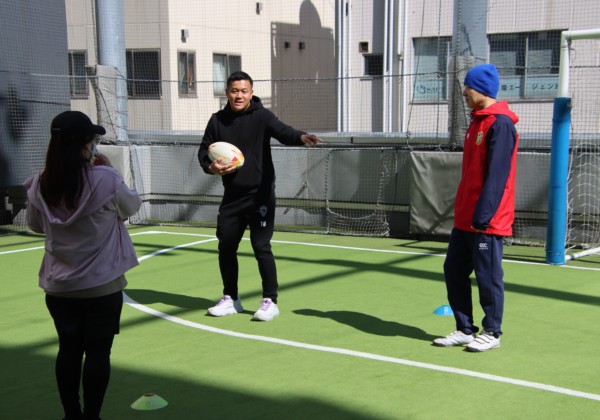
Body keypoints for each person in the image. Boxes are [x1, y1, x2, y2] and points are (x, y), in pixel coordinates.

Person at [24, 111, 141, 419]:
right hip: (101, 285)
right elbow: (131, 206)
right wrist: (110, 170)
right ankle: (92, 416)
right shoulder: (106, 179)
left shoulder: (40, 183)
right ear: (84, 144)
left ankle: (71, 414)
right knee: (99, 352)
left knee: (69, 350)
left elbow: (35, 225)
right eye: (92, 140)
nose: (95, 145)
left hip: (59, 286)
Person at [198, 71, 321, 321]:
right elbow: (203, 151)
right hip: (232, 196)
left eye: (244, 91)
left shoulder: (262, 116)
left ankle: (270, 301)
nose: (239, 95)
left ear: (251, 93)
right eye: (234, 91)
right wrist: (211, 167)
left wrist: (301, 137)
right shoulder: (217, 120)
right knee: (226, 246)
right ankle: (231, 298)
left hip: (260, 196)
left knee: (260, 246)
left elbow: (283, 131)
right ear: (227, 92)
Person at [433, 63, 519, 352]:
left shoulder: (500, 124)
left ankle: (492, 332)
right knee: (453, 270)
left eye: (467, 86)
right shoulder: (476, 123)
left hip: (487, 220)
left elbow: (498, 175)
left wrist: (484, 214)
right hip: (466, 218)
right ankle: (464, 329)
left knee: (488, 275)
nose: (464, 92)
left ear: (481, 88)